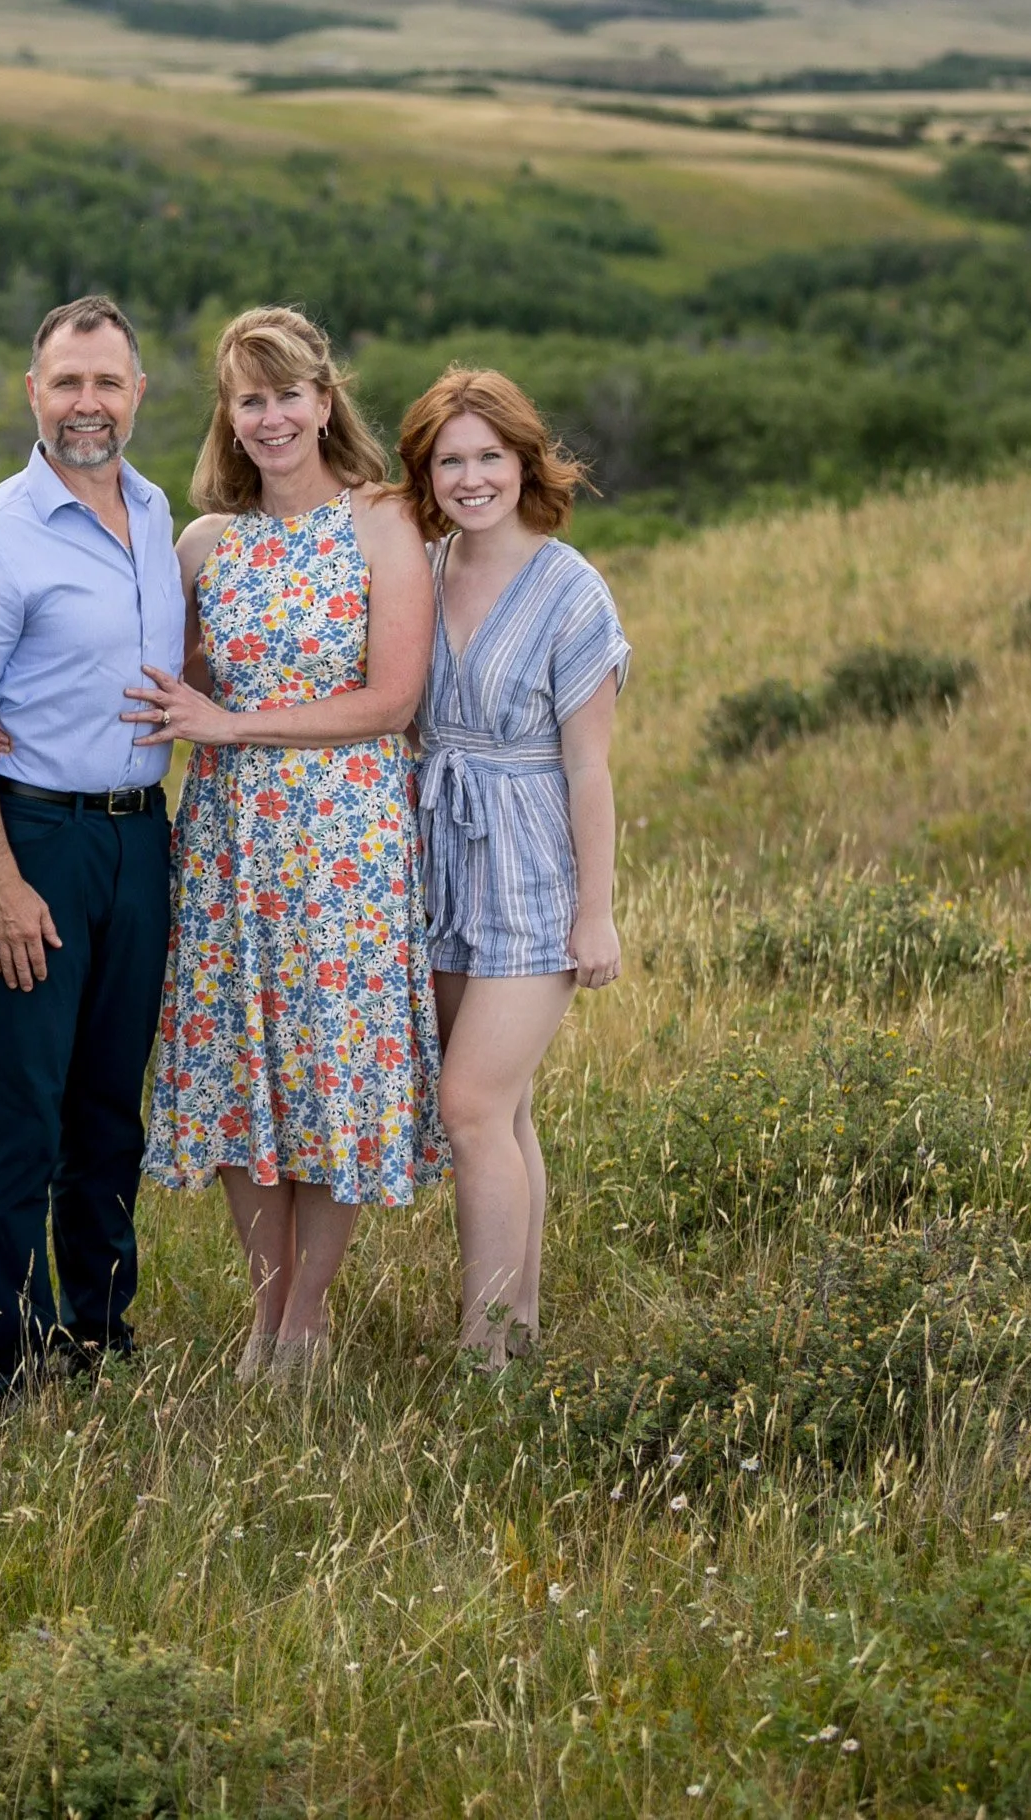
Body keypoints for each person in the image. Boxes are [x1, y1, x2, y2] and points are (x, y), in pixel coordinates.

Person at [129, 307, 441, 1383]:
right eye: (247, 398)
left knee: (335, 1070)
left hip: (345, 846)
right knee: (241, 1074)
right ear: (229, 412)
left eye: (287, 394)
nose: (270, 417)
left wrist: (233, 726)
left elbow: (393, 697)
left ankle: (308, 1317)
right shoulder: (205, 543)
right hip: (227, 845)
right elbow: (168, 688)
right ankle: (263, 1317)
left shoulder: (382, 523)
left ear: (324, 397)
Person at [0, 295, 186, 1412]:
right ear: (34, 392)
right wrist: (0, 879)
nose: (88, 402)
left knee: (109, 1105)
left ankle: (99, 1329)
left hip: (142, 837)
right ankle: (11, 1358)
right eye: (67, 382)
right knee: (24, 1104)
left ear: (138, 393)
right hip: (37, 836)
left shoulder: (158, 509)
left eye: (108, 381)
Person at [394, 364, 628, 1366]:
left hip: (531, 871)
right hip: (437, 863)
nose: (472, 475)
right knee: (508, 1108)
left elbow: (590, 768)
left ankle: (483, 1357)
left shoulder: (571, 588)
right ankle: (519, 1330)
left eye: (491, 455)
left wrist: (597, 911)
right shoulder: (423, 566)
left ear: (525, 462)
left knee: (470, 1105)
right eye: (452, 459)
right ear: (428, 472)